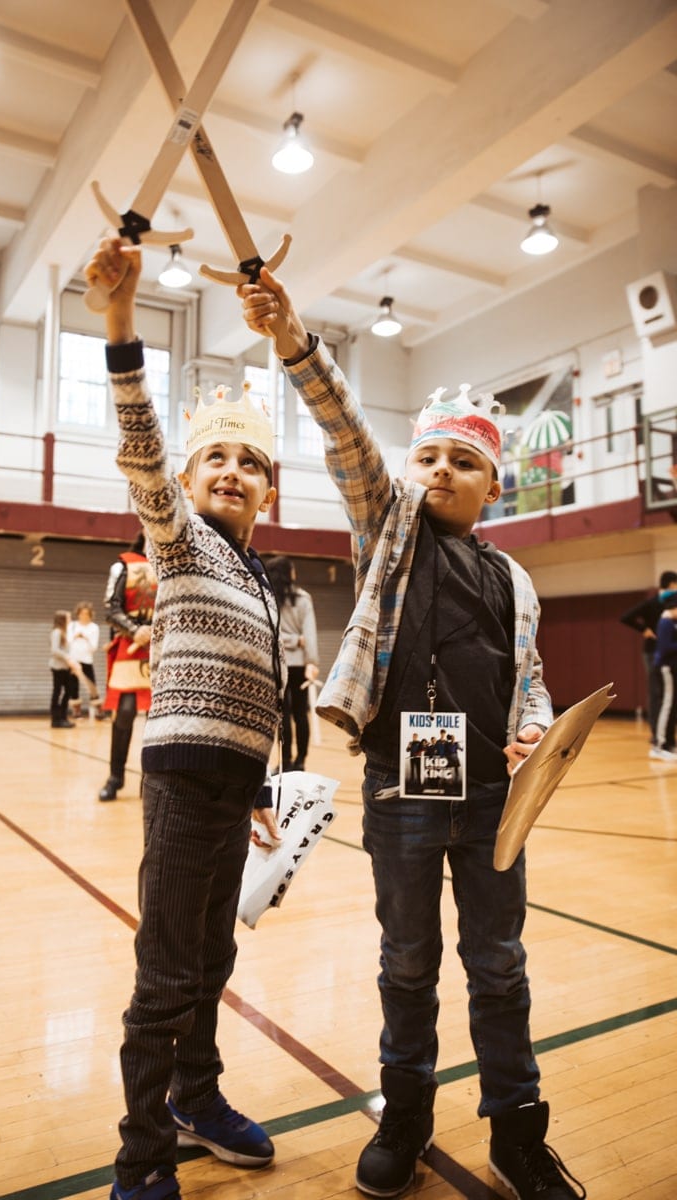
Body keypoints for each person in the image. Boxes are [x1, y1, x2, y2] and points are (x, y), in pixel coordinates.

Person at [239, 269, 586, 1200]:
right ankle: (406, 1116)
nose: (441, 473)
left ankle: (518, 1131)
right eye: (428, 457)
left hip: (489, 803)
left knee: (500, 967)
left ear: (491, 484)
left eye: (462, 463)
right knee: (406, 962)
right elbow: (346, 432)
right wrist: (295, 337)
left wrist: (533, 733)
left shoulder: (515, 580)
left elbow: (533, 683)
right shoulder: (387, 532)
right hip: (399, 790)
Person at [84, 237, 284, 1200]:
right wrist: (122, 327)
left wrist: (263, 790)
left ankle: (195, 1100)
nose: (233, 472)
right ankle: (140, 1162)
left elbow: (263, 693)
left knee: (211, 955)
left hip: (231, 788)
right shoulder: (182, 542)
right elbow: (142, 451)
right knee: (166, 975)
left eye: (252, 462)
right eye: (217, 458)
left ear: (270, 492)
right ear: (190, 481)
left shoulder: (262, 579)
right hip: (178, 780)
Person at [99, 532, 158, 801]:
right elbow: (111, 609)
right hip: (130, 647)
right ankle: (115, 777)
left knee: (156, 721)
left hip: (161, 651)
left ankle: (150, 781)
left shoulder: (172, 566)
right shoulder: (123, 566)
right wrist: (134, 630)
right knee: (124, 713)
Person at [265, 555, 319, 770]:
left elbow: (270, 633)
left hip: (278, 664)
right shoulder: (303, 598)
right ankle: (301, 762)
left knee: (283, 714)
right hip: (300, 665)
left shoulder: (269, 598)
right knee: (301, 714)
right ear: (288, 572)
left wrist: (285, 640)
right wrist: (310, 659)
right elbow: (310, 635)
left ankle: (285, 761)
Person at [620, 570, 677, 748]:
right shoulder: (653, 603)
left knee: (669, 696)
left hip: (668, 655)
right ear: (669, 585)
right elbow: (626, 617)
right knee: (656, 693)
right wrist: (644, 629)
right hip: (654, 652)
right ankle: (657, 735)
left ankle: (667, 736)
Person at [67, 601, 104, 720]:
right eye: (82, 613)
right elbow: (67, 643)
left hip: (87, 659)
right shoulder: (72, 626)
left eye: (86, 613)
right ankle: (76, 710)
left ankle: (98, 710)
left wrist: (86, 638)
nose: (84, 616)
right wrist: (75, 637)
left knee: (91, 684)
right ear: (78, 614)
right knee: (73, 685)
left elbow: (94, 647)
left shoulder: (94, 627)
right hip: (73, 660)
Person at [651, 598, 677, 762]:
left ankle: (670, 743)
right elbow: (665, 647)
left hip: (672, 668)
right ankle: (659, 745)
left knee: (672, 706)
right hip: (666, 668)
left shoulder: (671, 621)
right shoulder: (665, 621)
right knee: (667, 705)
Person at [49, 609, 78, 729]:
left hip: (66, 667)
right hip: (58, 667)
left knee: (68, 692)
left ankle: (63, 717)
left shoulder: (66, 632)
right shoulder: (57, 632)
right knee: (58, 692)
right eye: (68, 618)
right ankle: (56, 719)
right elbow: (55, 650)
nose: (70, 620)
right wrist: (67, 658)